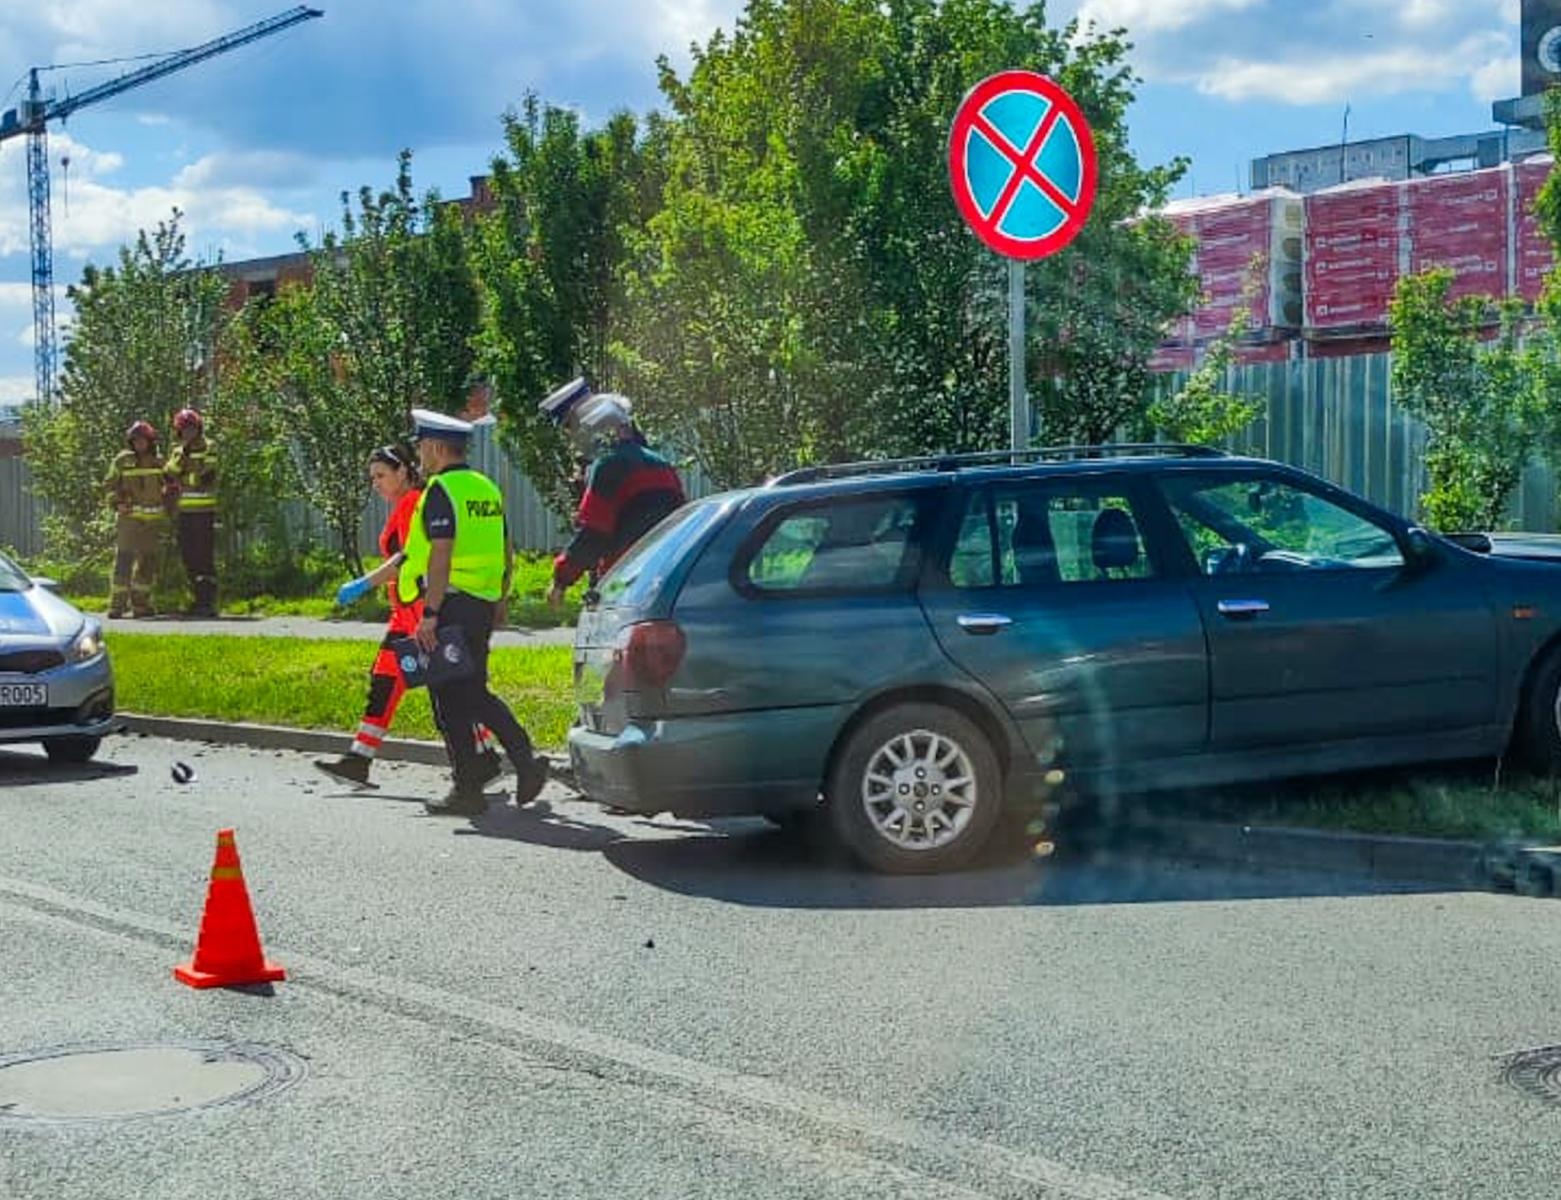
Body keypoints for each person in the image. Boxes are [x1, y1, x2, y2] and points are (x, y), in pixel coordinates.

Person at [314, 443, 503, 791]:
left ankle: (484, 757)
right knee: (385, 682)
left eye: (381, 475)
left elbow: (407, 558)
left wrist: (364, 583)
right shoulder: (403, 506)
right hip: (404, 614)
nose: (376, 484)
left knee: (449, 692)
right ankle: (359, 758)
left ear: (403, 471)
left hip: (418, 613)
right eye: (372, 477)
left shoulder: (416, 503)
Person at [402, 408, 547, 816]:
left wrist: (430, 613)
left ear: (433, 446)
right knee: (466, 692)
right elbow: (505, 547)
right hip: (480, 604)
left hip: (450, 605)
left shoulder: (440, 491)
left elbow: (441, 553)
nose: (419, 455)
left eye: (420, 446)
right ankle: (482, 774)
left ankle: (503, 770)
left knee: (455, 698)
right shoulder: (485, 487)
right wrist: (500, 598)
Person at [538, 378, 685, 606]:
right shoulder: (662, 464)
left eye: (570, 427)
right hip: (662, 580)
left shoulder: (609, 467)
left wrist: (561, 580)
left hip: (621, 583)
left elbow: (595, 534)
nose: (571, 437)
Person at [104, 420, 168, 619]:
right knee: (123, 560)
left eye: (143, 440)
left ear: (151, 441)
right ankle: (117, 606)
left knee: (147, 564)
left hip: (152, 522)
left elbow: (171, 486)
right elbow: (109, 485)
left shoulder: (159, 462)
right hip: (129, 521)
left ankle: (140, 605)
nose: (140, 444)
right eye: (136, 440)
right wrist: (117, 503)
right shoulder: (122, 460)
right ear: (130, 442)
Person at [163, 407, 219, 617]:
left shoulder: (209, 446)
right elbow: (168, 475)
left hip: (204, 511)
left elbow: (208, 477)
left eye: (192, 428)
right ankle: (195, 599)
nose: (188, 433)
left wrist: (184, 478)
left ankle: (208, 602)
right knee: (188, 556)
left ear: (199, 428)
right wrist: (184, 464)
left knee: (204, 556)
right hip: (184, 512)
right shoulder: (178, 451)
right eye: (184, 429)